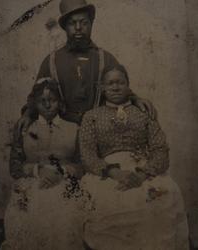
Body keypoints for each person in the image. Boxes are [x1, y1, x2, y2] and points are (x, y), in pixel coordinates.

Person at [79, 64, 189, 250]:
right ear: (102, 88)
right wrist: (114, 173)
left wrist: (142, 174)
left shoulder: (144, 113)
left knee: (159, 202)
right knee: (110, 205)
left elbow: (160, 149)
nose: (115, 87)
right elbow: (87, 155)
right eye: (110, 83)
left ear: (128, 86)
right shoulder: (91, 117)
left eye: (120, 82)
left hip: (143, 171)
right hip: (108, 173)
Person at [16, 0, 156, 137]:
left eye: (84, 23)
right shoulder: (51, 61)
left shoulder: (105, 58)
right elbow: (37, 95)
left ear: (91, 24)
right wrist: (28, 114)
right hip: (63, 134)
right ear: (65, 27)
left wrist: (136, 99)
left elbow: (119, 87)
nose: (78, 28)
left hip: (99, 132)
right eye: (72, 23)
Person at [1, 81, 87, 250]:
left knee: (65, 216)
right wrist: (37, 170)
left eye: (52, 100)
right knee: (28, 213)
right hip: (33, 181)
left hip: (65, 181)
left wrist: (61, 173)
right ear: (34, 104)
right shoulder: (24, 128)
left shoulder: (74, 128)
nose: (48, 105)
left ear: (60, 103)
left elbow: (82, 164)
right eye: (42, 101)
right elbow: (15, 166)